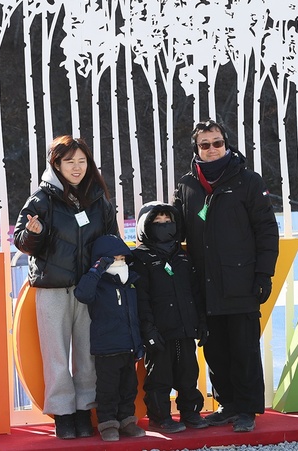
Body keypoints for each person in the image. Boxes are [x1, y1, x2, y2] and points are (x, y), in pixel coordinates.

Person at [173, 119, 279, 433]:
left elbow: (266, 230)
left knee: (243, 349)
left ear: (226, 143)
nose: (212, 149)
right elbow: (179, 227)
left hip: (241, 282)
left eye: (217, 142)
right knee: (214, 348)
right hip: (204, 283)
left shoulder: (248, 180)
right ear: (196, 149)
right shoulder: (187, 185)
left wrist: (263, 273)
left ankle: (246, 409)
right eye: (205, 145)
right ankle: (227, 404)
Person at [13, 135, 120, 440]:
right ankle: (63, 413)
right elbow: (22, 240)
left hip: (90, 288)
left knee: (88, 353)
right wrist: (33, 233)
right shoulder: (42, 198)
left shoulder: (98, 197)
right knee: (56, 354)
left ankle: (85, 409)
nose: (77, 167)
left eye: (82, 161)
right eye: (69, 161)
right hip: (52, 288)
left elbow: (111, 237)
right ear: (56, 164)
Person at [130, 201, 209, 433]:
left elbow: (195, 292)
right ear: (145, 226)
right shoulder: (140, 257)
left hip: (184, 328)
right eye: (157, 222)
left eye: (168, 222)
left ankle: (190, 412)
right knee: (159, 376)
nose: (164, 226)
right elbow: (140, 299)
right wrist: (148, 330)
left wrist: (201, 322)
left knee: (188, 372)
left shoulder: (183, 256)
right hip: (159, 331)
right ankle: (159, 416)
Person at [73, 234, 146, 442]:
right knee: (107, 389)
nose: (120, 263)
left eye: (123, 259)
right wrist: (96, 270)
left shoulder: (131, 282)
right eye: (114, 259)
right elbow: (83, 294)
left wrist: (138, 343)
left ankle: (127, 421)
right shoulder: (98, 284)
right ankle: (108, 424)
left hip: (129, 347)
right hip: (106, 348)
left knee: (128, 388)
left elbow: (136, 315)